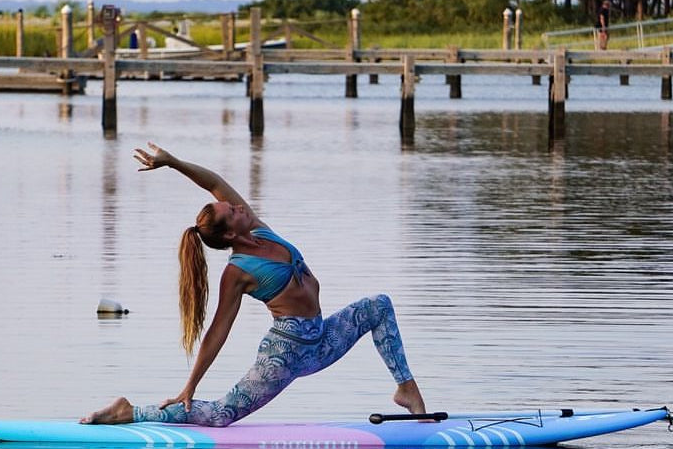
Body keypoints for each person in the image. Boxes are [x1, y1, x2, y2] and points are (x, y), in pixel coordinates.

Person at [81, 143, 427, 426]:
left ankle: (407, 389)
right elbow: (217, 330)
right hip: (285, 355)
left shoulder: (259, 230)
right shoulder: (238, 272)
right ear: (230, 232)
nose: (236, 205)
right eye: (231, 210)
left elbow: (213, 182)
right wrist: (190, 386)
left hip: (321, 339)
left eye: (233, 205)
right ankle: (130, 411)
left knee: (378, 305)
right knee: (219, 415)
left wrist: (173, 163)